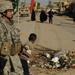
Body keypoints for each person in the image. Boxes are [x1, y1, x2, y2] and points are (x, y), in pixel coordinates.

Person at [0, 0, 23, 75]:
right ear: (3, 12)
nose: (12, 13)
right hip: (4, 57)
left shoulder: (11, 24)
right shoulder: (1, 25)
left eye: (12, 11)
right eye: (9, 11)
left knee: (19, 72)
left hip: (14, 55)